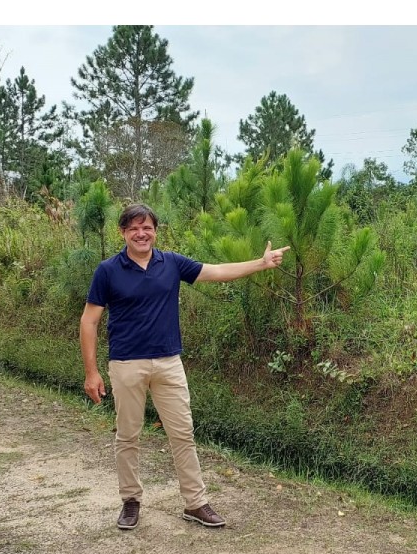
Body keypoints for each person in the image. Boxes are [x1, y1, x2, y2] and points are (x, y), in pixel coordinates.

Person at [80, 202, 289, 530]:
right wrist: (91, 372)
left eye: (147, 227)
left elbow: (217, 272)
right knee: (128, 435)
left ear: (155, 231)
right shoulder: (108, 270)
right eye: (134, 228)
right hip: (126, 364)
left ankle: (195, 503)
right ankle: (131, 500)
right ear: (123, 232)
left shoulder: (172, 263)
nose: (141, 233)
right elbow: (89, 321)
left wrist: (260, 264)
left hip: (168, 363)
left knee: (182, 434)